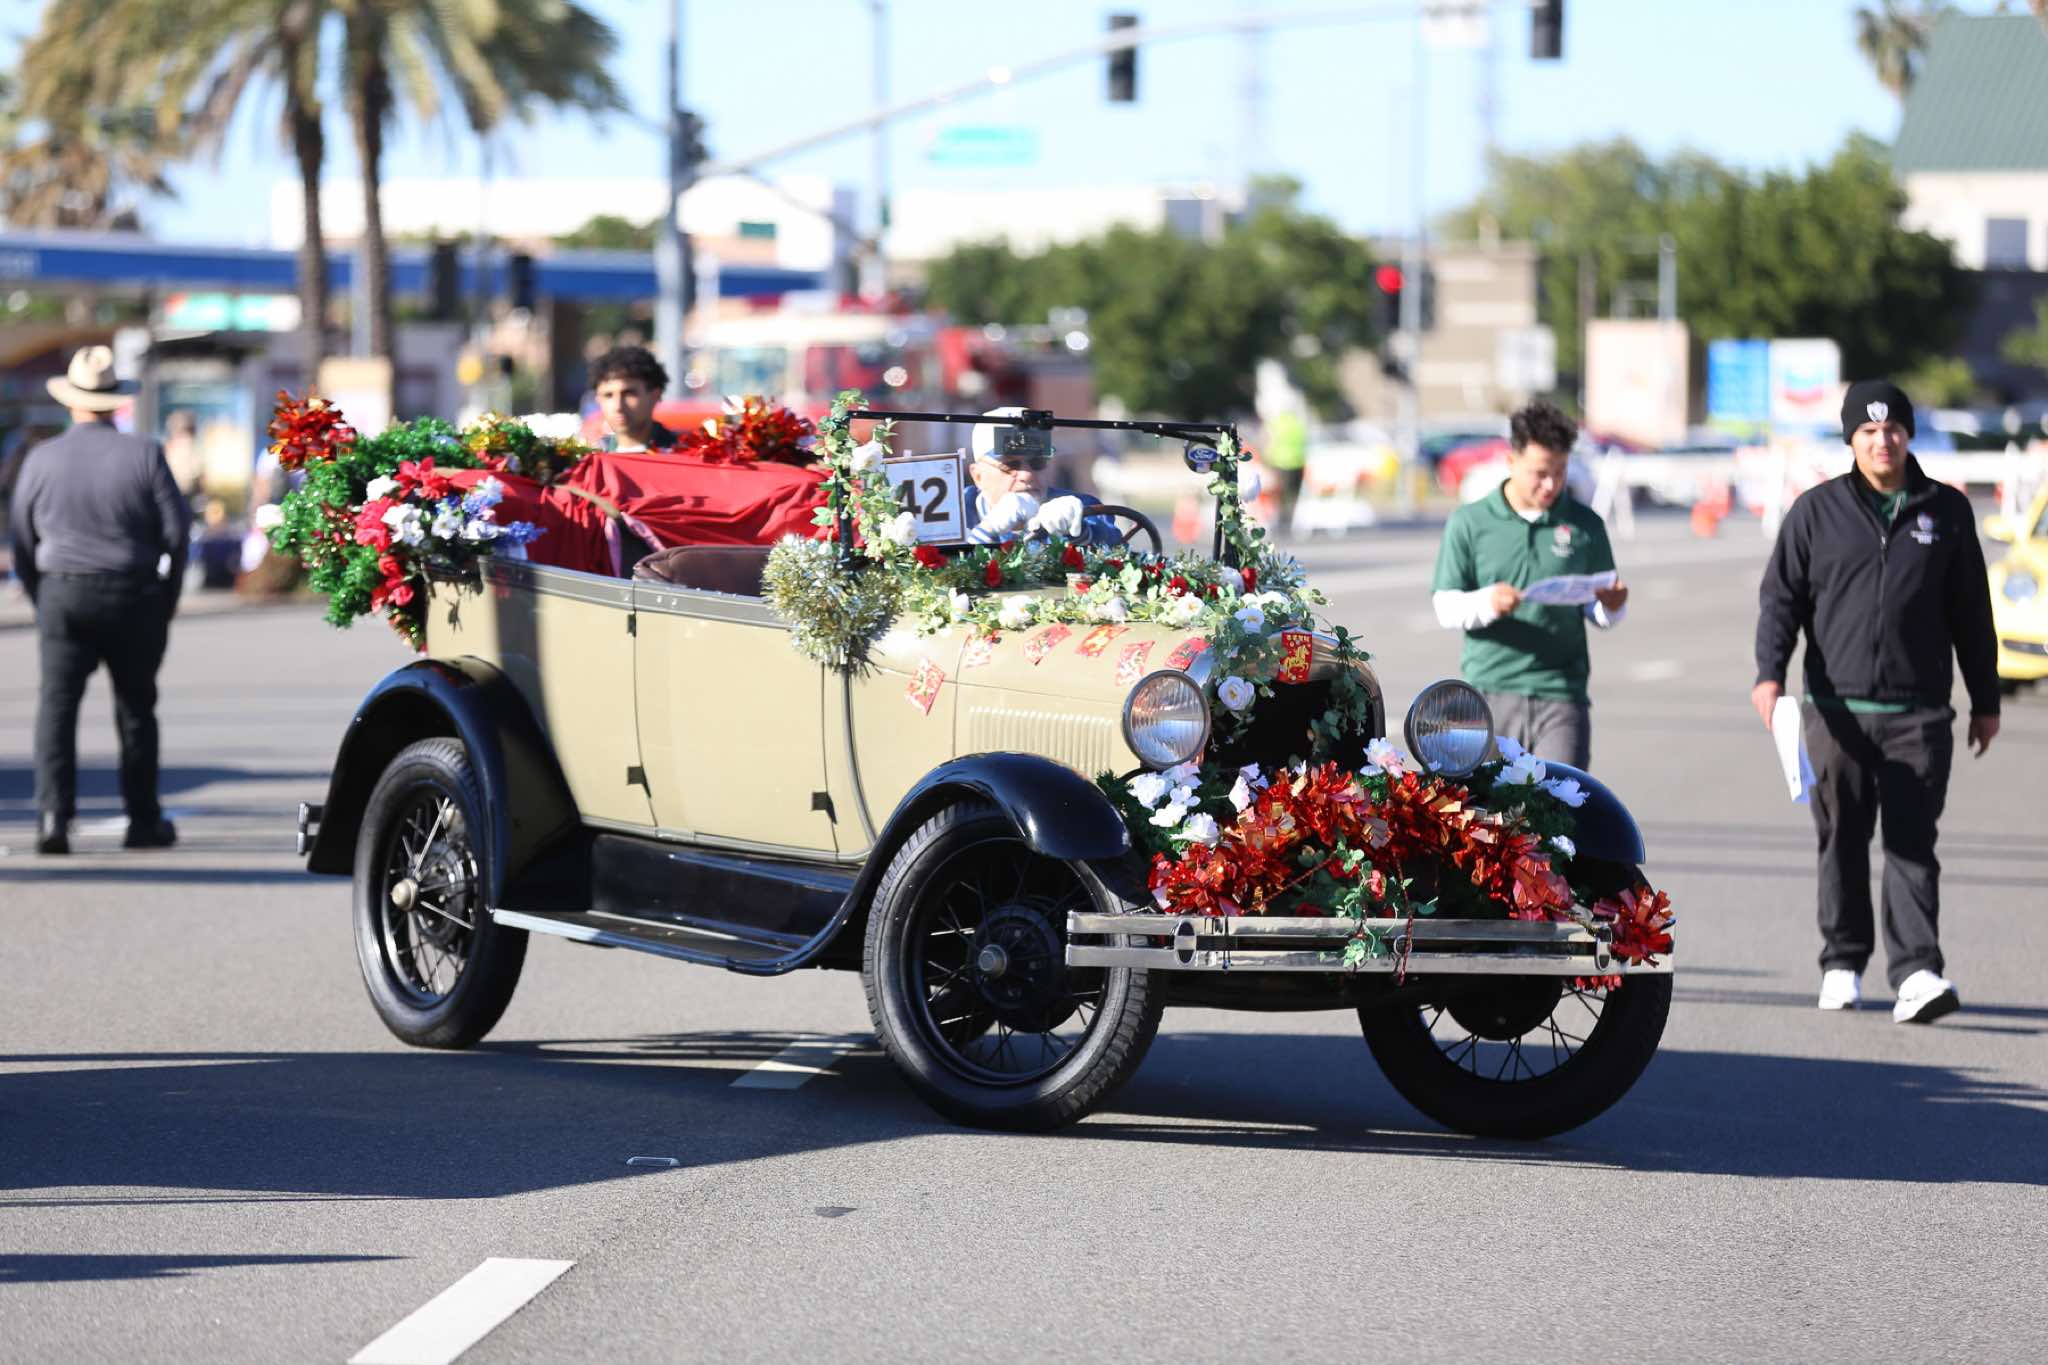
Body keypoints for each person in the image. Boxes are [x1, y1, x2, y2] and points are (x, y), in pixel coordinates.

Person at [1753, 380, 1999, 1024]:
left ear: (1908, 434)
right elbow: (1781, 600)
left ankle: (1917, 971)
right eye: (1867, 431)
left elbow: (1972, 612)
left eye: (1892, 429)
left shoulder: (1946, 511)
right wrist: (1769, 675)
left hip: (1919, 714)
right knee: (1841, 839)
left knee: (1912, 844)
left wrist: (1986, 698)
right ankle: (1842, 963)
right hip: (1835, 714)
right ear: (1850, 439)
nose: (1881, 440)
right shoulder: (1816, 512)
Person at [8, 346, 190, 855]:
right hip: (133, 592)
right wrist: (168, 596)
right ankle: (143, 820)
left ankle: (53, 818)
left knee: (57, 707)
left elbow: (22, 538)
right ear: (115, 402)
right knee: (136, 709)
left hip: (63, 590)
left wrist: (42, 593)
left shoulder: (42, 458)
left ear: (72, 402)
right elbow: (177, 534)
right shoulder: (145, 454)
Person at [1429, 398, 1629, 770]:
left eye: (1560, 471)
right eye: (1540, 473)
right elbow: (1445, 607)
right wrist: (1488, 603)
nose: (1551, 484)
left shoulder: (1586, 525)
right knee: (1488, 805)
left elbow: (1598, 608)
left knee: (1558, 800)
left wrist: (1612, 606)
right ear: (1511, 461)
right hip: (1489, 692)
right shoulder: (1469, 522)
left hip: (1562, 694)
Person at [963, 407, 1120, 546]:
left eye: (1037, 462)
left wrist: (1079, 531)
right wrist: (987, 530)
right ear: (978, 476)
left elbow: (1115, 545)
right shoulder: (956, 511)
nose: (1027, 475)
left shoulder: (1082, 506)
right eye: (1010, 465)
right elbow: (947, 566)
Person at [590, 345, 678, 453]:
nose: (618, 406)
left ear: (655, 395)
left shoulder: (687, 453)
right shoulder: (588, 458)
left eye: (628, 394)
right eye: (608, 395)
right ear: (598, 399)